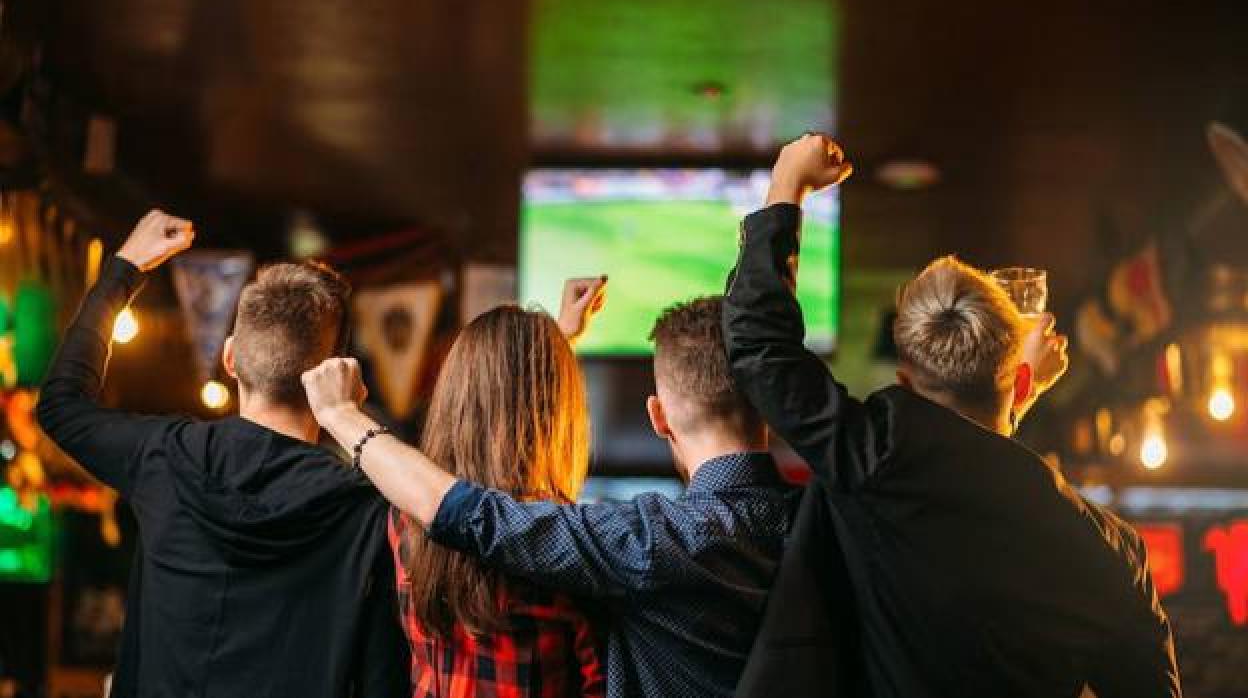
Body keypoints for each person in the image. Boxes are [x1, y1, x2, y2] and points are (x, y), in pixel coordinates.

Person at [724, 134, 1182, 697]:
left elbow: (758, 345)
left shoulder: (870, 458)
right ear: (1017, 381)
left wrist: (787, 185)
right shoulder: (1111, 552)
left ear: (905, 382)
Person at [301, 292, 799, 698]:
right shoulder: (808, 522)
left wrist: (342, 417)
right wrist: (544, 358)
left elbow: (461, 507)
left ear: (659, 416)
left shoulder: (404, 519)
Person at [36, 210, 408, 698]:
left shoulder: (165, 458)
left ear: (230, 357)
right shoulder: (366, 509)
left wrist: (125, 267)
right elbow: (383, 677)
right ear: (336, 374)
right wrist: (351, 421)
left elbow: (61, 404)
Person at [387, 301, 605, 697]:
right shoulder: (568, 539)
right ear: (557, 409)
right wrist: (546, 357)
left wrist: (549, 344)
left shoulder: (406, 515)